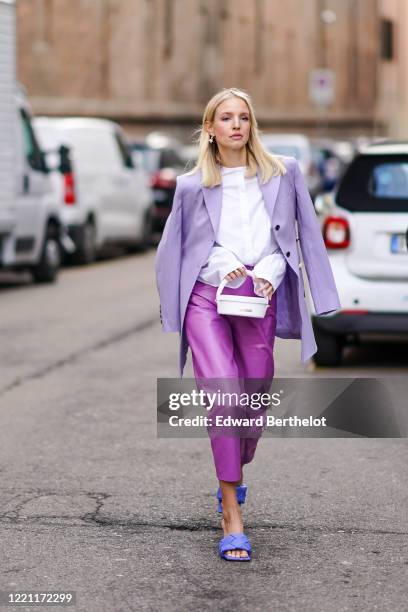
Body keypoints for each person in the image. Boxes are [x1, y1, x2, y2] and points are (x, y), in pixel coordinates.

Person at [155, 87, 341, 561]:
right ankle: (231, 511)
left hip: (259, 297)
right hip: (206, 298)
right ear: (211, 128)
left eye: (243, 117)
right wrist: (218, 265)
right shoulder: (192, 184)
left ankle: (234, 466)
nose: (236, 125)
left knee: (253, 396)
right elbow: (175, 248)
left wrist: (283, 278)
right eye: (226, 118)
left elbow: (303, 235)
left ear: (251, 125)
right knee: (225, 396)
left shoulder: (284, 173)